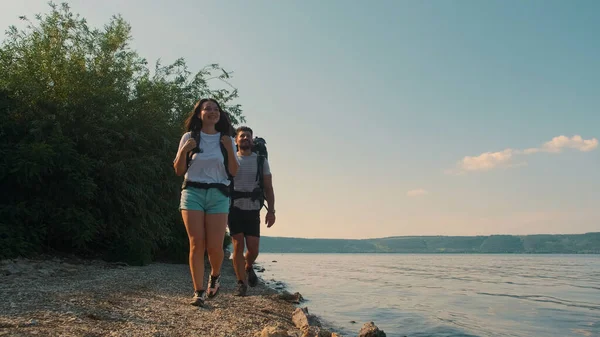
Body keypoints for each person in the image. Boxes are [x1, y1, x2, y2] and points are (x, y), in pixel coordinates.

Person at [173, 98, 239, 306]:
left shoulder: (226, 139)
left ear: (220, 114)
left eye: (215, 109)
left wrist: (230, 148)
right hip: (192, 192)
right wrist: (184, 150)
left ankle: (215, 276)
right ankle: (198, 292)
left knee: (214, 247)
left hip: (218, 194)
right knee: (196, 244)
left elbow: (234, 171)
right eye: (207, 109)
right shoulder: (189, 137)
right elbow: (178, 170)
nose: (212, 111)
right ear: (199, 114)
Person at [228, 126, 276, 296]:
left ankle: (248, 267)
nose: (245, 138)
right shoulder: (231, 159)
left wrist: (271, 211)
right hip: (234, 208)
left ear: (252, 140)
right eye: (242, 136)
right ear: (236, 140)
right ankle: (241, 283)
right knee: (238, 245)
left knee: (254, 250)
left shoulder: (260, 160)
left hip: (253, 208)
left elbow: (268, 188)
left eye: (248, 136)